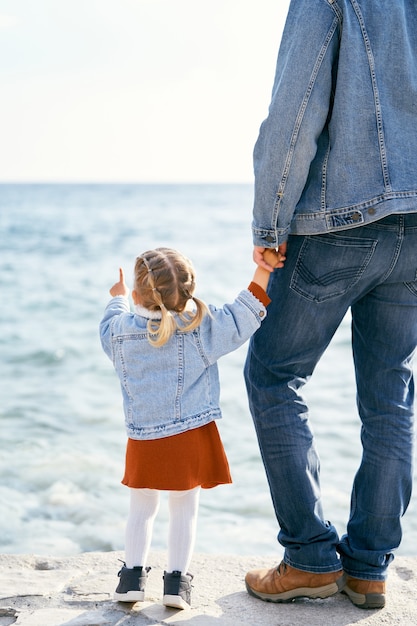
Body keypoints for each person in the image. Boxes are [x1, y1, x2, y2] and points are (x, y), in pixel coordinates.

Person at [244, 0, 417, 611]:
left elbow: (296, 106)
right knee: (390, 389)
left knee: (272, 373)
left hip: (340, 216)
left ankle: (310, 557)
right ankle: (369, 568)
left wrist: (269, 224)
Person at [99, 246, 281, 609]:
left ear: (138, 294)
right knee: (185, 509)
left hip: (144, 439)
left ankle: (132, 578)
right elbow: (245, 312)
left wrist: (117, 298)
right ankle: (176, 585)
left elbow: (109, 323)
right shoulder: (201, 329)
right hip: (189, 436)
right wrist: (263, 269)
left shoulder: (119, 334)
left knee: (141, 508)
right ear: (189, 292)